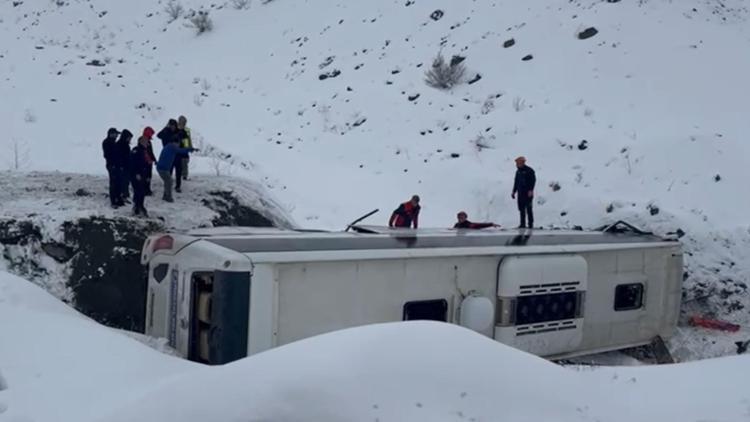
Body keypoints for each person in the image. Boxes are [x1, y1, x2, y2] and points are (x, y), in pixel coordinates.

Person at [129, 130, 153, 217]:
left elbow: (149, 163)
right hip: (137, 175)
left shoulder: (146, 151)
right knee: (138, 191)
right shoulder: (136, 151)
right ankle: (137, 206)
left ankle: (139, 206)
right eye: (145, 141)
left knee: (142, 191)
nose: (147, 143)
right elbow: (132, 163)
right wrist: (136, 173)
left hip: (144, 174)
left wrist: (148, 176)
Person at [511, 156, 536, 229]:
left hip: (527, 193)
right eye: (516, 163)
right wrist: (514, 191)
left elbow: (533, 181)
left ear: (522, 163)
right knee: (521, 209)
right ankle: (522, 224)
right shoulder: (518, 172)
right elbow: (516, 182)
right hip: (520, 192)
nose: (517, 164)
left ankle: (530, 224)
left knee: (529, 209)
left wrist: (531, 190)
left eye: (518, 163)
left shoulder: (529, 170)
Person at [101, 127, 122, 208]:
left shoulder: (114, 142)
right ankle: (113, 200)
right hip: (111, 165)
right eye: (116, 134)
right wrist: (113, 164)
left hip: (116, 165)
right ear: (111, 134)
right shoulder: (107, 142)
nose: (117, 136)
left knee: (118, 182)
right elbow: (107, 155)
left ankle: (118, 198)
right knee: (113, 183)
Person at [115, 129, 133, 202]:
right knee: (123, 182)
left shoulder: (125, 145)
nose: (129, 139)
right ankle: (123, 195)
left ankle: (126, 194)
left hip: (127, 166)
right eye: (129, 138)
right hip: (122, 166)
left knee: (126, 181)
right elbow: (119, 157)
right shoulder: (120, 145)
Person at [176, 115, 192, 182]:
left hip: (185, 148)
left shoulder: (187, 130)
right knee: (178, 163)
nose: (184, 123)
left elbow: (188, 139)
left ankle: (184, 175)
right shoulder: (176, 129)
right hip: (177, 148)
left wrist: (189, 147)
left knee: (185, 161)